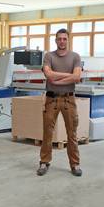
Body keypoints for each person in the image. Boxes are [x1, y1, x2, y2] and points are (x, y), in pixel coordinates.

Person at [36, 28, 83, 177]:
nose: (62, 41)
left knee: (72, 133)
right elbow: (49, 75)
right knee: (47, 132)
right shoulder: (49, 56)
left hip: (69, 99)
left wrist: (58, 79)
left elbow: (77, 78)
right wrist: (69, 76)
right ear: (55, 40)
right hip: (52, 99)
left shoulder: (75, 57)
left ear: (68, 40)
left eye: (64, 39)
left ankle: (75, 164)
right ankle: (44, 162)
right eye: (59, 39)